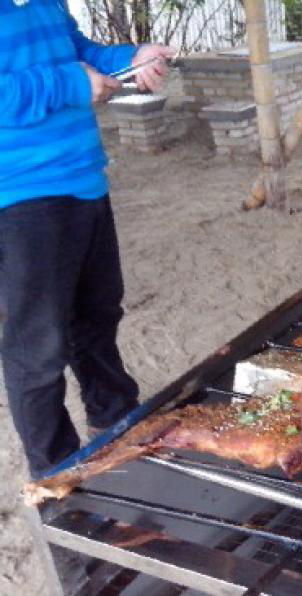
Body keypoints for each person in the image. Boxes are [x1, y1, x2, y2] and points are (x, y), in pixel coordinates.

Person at [0, 0, 175, 480]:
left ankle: (116, 417)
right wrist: (73, 85)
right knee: (38, 348)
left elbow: (75, 50)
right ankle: (57, 474)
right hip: (19, 195)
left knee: (98, 313)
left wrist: (130, 57)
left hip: (83, 177)